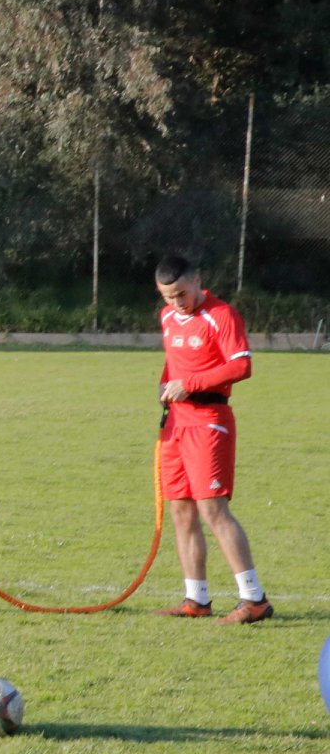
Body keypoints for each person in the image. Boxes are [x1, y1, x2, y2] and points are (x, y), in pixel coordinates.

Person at [152, 256, 273, 624]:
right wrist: (165, 384)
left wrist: (189, 385)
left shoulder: (221, 315)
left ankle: (254, 599)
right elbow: (174, 362)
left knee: (213, 510)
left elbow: (241, 365)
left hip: (209, 422)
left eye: (182, 294)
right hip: (176, 425)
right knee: (181, 510)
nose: (176, 303)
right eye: (168, 296)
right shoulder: (168, 318)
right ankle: (197, 599)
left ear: (198, 281)